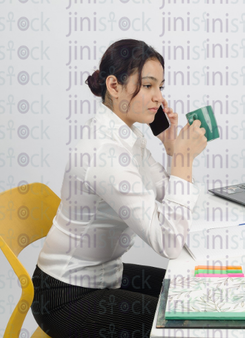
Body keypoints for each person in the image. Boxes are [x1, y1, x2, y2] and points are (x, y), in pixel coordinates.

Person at [31, 39, 207, 338]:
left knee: (186, 292)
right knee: (182, 322)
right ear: (114, 86)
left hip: (103, 277)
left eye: (160, 87)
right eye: (148, 86)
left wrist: (170, 147)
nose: (158, 98)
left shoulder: (125, 137)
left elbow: (166, 197)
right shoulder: (106, 154)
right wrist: (182, 159)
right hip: (66, 297)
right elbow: (169, 242)